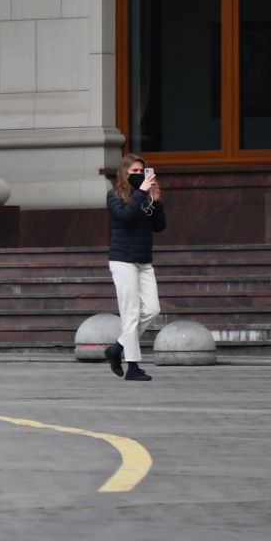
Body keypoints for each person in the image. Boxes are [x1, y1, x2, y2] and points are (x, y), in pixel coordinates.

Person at [105, 153, 166, 381]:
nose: (139, 175)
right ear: (124, 173)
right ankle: (133, 367)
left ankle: (117, 348)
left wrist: (156, 200)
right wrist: (141, 192)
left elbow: (159, 226)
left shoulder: (146, 197)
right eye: (134, 172)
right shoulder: (114, 196)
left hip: (143, 260)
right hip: (122, 260)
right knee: (130, 314)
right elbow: (125, 216)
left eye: (142, 171)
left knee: (152, 309)